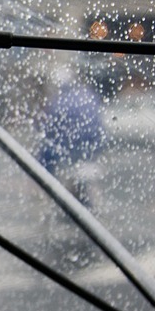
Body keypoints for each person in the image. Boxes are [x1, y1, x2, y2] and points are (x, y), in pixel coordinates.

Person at [38, 67, 105, 207]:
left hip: (68, 150)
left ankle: (47, 186)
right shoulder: (89, 95)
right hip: (92, 148)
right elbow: (100, 126)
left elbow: (49, 129)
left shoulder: (59, 102)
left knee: (46, 153)